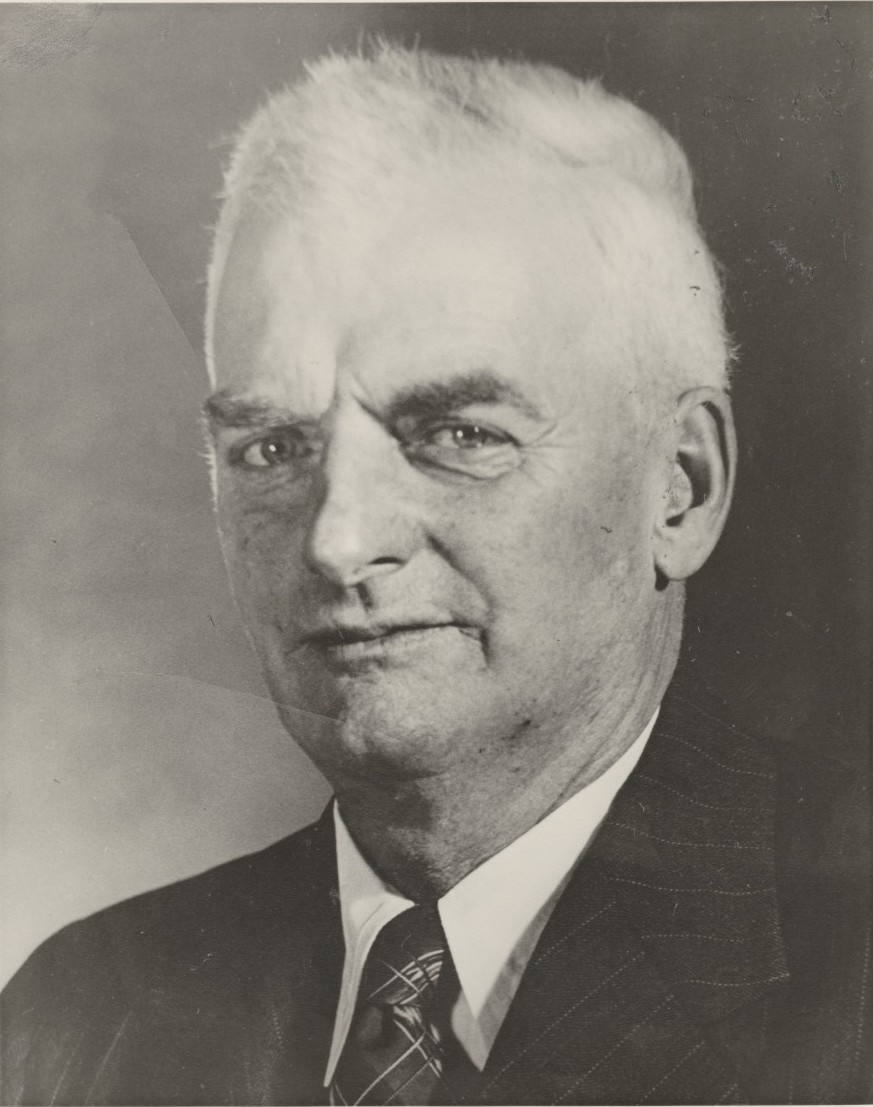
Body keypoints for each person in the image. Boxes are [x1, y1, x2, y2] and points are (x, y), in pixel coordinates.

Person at [1, 45, 869, 1107]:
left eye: (458, 431)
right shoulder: (75, 1016)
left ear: (679, 489)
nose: (338, 540)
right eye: (273, 448)